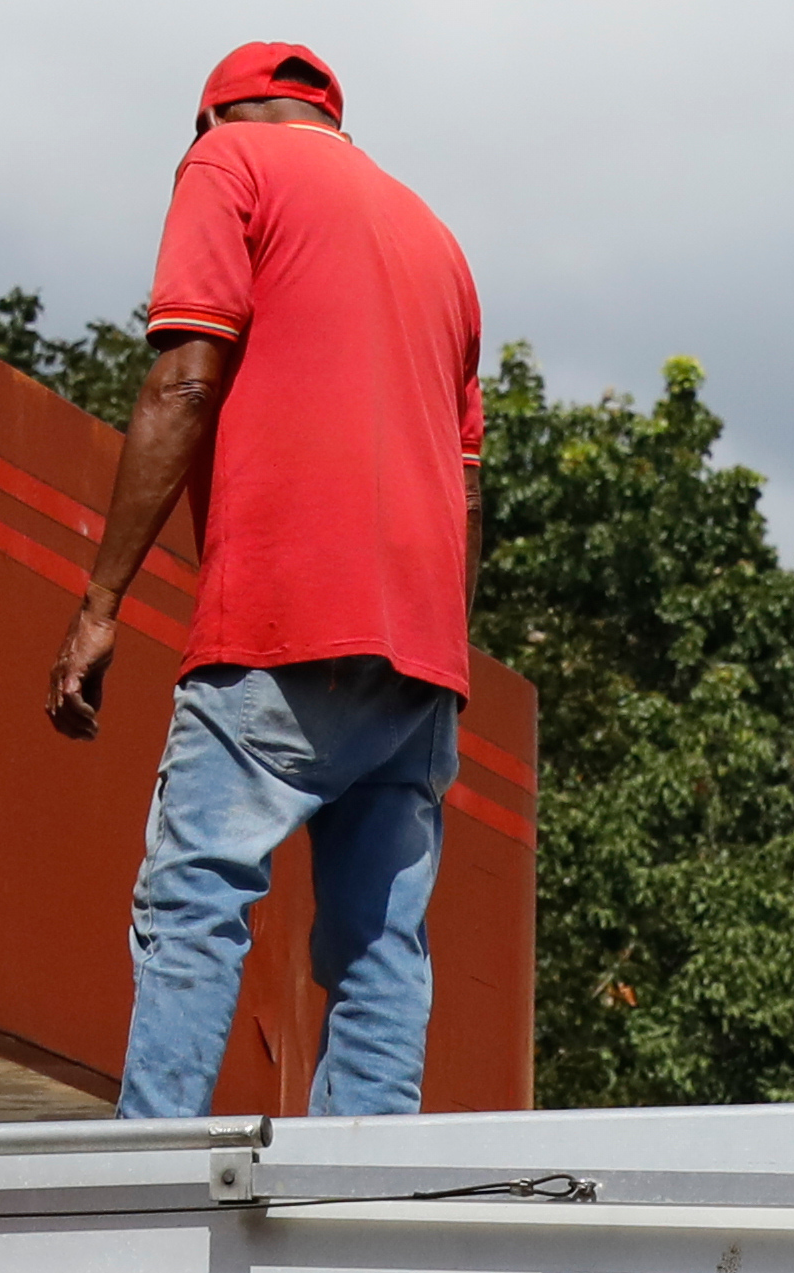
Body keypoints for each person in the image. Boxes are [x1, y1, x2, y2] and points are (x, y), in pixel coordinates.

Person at [42, 43, 482, 1124]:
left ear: (213, 120)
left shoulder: (227, 163)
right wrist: (442, 652)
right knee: (380, 944)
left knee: (195, 896)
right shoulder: (435, 237)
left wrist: (100, 606)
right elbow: (467, 486)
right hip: (422, 654)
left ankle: (150, 1171)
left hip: (282, 622)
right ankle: (366, 1187)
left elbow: (185, 381)